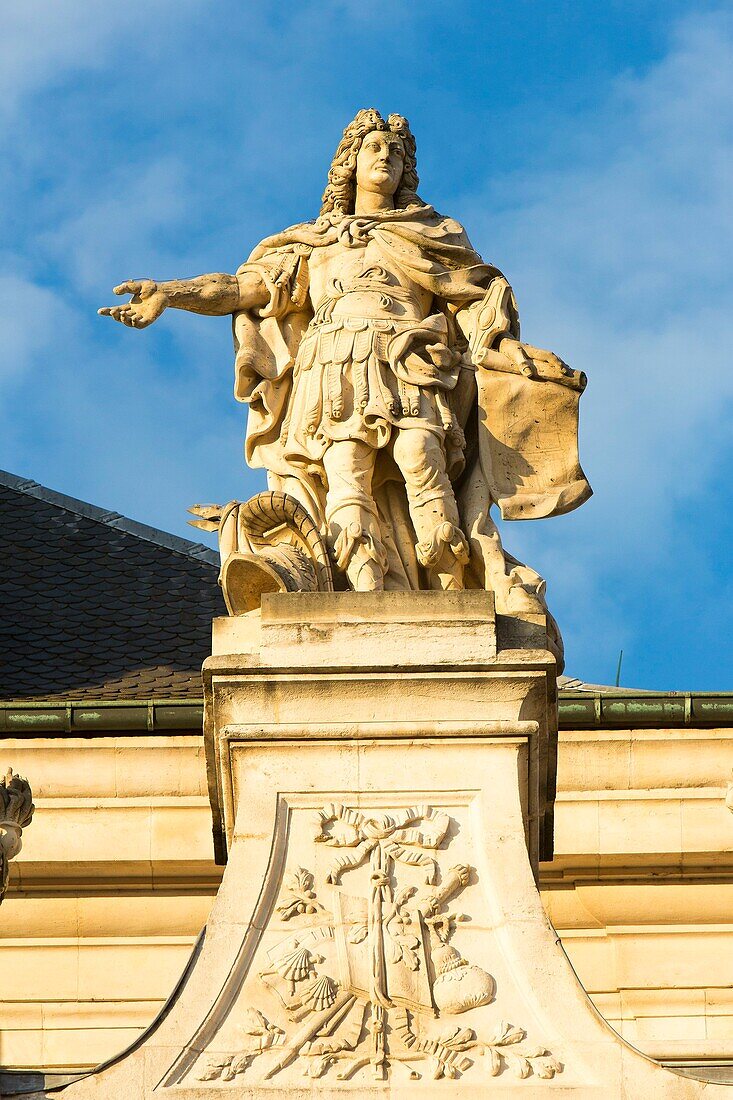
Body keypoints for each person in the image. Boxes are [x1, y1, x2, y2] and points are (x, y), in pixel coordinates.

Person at [100, 108, 590, 618]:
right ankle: (364, 597)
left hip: (409, 360)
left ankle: (453, 591)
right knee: (346, 472)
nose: (386, 158)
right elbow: (240, 289)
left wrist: (509, 351)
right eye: (375, 148)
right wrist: (170, 293)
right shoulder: (312, 244)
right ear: (349, 163)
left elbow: (477, 305)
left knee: (424, 457)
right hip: (332, 362)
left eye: (396, 153)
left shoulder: (429, 233)